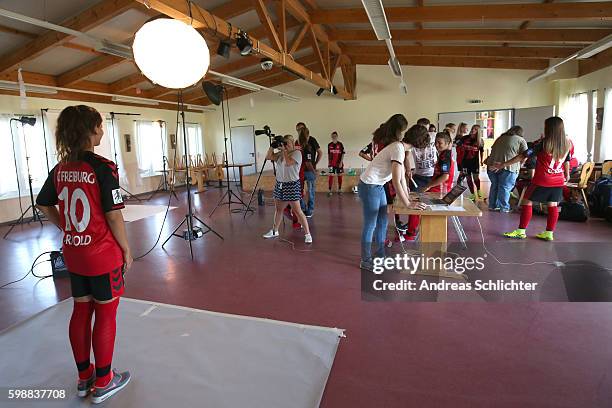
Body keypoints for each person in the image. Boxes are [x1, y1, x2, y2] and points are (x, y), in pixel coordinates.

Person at [35, 105, 131, 404]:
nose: (102, 131)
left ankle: (84, 376)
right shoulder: (104, 167)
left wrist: (67, 227)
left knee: (81, 310)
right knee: (105, 313)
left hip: (74, 252)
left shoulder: (61, 167)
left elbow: (44, 203)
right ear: (89, 131)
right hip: (101, 254)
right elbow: (114, 216)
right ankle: (104, 380)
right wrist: (126, 249)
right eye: (99, 127)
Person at [358, 114, 425, 270]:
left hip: (377, 186)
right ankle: (365, 260)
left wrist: (408, 198)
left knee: (382, 221)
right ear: (419, 143)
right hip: (369, 186)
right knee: (371, 224)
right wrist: (408, 204)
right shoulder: (398, 149)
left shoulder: (400, 148)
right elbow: (395, 180)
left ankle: (380, 255)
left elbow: (401, 179)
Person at [493, 117, 571, 241]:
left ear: (548, 128)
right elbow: (567, 160)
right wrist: (567, 174)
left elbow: (523, 155)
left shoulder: (542, 143)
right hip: (558, 179)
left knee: (527, 202)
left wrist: (503, 164)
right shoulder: (567, 143)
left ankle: (521, 231)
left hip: (543, 179)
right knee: (553, 205)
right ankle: (549, 233)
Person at [263, 135, 312, 243]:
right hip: (280, 184)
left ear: (293, 143)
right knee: (279, 210)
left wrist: (283, 150)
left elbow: (289, 163)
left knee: (298, 211)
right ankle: (275, 230)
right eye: (283, 143)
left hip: (292, 185)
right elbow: (268, 157)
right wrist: (273, 146)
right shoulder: (281, 153)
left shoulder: (297, 153)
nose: (285, 145)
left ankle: (307, 234)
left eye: (287, 143)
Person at [485, 126, 527, 212]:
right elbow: (525, 155)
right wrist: (520, 164)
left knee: (495, 186)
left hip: (492, 166)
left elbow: (493, 150)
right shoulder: (521, 140)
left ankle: (492, 206)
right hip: (509, 167)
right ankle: (504, 208)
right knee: (505, 187)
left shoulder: (500, 138)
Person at [403, 124, 434, 239]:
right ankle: (411, 232)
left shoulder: (433, 137)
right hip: (419, 176)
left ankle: (429, 231)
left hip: (433, 176)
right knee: (415, 203)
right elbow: (406, 156)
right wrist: (408, 169)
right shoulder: (412, 142)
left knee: (433, 204)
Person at [456, 124, 484, 200]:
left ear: (478, 131)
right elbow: (457, 142)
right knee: (468, 178)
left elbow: (481, 151)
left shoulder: (480, 140)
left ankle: (478, 190)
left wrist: (481, 161)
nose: (472, 130)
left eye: (475, 129)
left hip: (475, 162)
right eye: (472, 128)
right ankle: (472, 194)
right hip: (465, 162)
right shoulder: (465, 138)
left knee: (476, 178)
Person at [298, 126, 321, 217]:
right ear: (307, 134)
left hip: (300, 171)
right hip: (305, 171)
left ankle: (304, 208)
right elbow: (308, 163)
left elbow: (319, 153)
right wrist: (314, 171)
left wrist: (314, 164)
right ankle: (308, 209)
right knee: (310, 191)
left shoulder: (302, 144)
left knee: (300, 191)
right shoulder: (307, 147)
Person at [327, 131, 345, 196]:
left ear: (337, 136)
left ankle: (339, 189)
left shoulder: (340, 144)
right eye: (333, 136)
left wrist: (340, 163)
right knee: (331, 176)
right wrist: (329, 162)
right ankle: (329, 190)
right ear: (331, 137)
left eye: (335, 136)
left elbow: (343, 154)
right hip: (332, 164)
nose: (334, 137)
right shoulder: (329, 145)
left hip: (339, 164)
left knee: (339, 176)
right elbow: (329, 154)